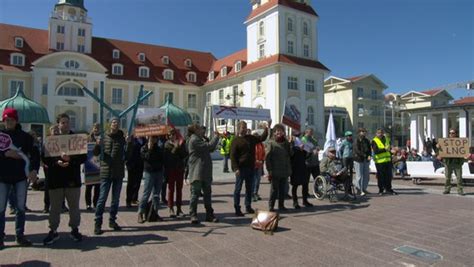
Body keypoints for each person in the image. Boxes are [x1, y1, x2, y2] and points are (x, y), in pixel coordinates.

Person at [42, 113, 87, 245]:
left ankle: (74, 229)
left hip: (72, 179)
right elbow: (45, 158)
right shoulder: (51, 140)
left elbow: (83, 157)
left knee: (74, 207)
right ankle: (53, 230)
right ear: (58, 124)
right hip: (55, 179)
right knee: (55, 207)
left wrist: (71, 159)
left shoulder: (76, 138)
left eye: (67, 122)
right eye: (63, 122)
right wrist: (57, 162)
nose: (65, 124)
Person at [0, 108, 40, 249]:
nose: (8, 122)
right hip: (2, 177)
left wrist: (34, 169)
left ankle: (20, 236)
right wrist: (5, 155)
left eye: (11, 119)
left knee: (20, 208)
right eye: (6, 119)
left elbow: (35, 154)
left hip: (20, 177)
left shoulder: (25, 137)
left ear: (16, 120)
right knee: (0, 208)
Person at [93, 118, 127, 235]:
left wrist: (129, 144)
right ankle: (98, 222)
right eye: (113, 122)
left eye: (117, 123)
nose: (115, 124)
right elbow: (96, 153)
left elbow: (127, 155)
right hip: (106, 172)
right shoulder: (104, 137)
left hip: (118, 172)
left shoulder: (122, 139)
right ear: (110, 125)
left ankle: (112, 220)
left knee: (115, 199)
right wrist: (97, 145)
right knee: (102, 198)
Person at [230, 121, 269, 216]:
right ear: (239, 128)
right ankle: (237, 207)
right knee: (238, 189)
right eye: (243, 127)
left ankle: (248, 206)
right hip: (241, 169)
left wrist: (267, 128)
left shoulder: (251, 138)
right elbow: (232, 156)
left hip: (250, 167)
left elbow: (262, 138)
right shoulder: (235, 141)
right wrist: (235, 168)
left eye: (245, 127)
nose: (245, 129)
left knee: (249, 188)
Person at [187, 124, 220, 224]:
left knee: (207, 194)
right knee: (195, 194)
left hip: (205, 172)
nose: (203, 131)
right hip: (197, 172)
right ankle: (193, 214)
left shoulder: (200, 139)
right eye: (201, 129)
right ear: (196, 130)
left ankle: (209, 214)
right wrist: (216, 137)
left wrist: (213, 140)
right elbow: (209, 147)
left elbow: (210, 149)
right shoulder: (194, 139)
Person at [137, 135, 165, 223]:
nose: (153, 140)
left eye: (155, 138)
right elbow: (146, 158)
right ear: (148, 138)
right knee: (146, 193)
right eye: (151, 138)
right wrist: (149, 149)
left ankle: (154, 213)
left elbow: (162, 158)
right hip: (149, 172)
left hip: (159, 172)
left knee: (156, 194)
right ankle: (140, 213)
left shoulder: (159, 148)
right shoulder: (144, 148)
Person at [265, 124, 292, 212]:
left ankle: (281, 205)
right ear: (274, 133)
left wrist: (290, 144)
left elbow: (291, 154)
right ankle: (271, 206)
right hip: (275, 170)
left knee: (282, 190)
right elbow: (267, 158)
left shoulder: (286, 143)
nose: (279, 132)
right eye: (277, 131)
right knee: (274, 190)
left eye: (281, 131)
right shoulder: (271, 143)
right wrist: (269, 170)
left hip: (284, 170)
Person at [163, 129, 187, 218]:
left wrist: (180, 146)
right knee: (171, 189)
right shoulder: (166, 144)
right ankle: (171, 208)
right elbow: (169, 157)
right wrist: (175, 147)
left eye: (173, 134)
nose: (172, 136)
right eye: (170, 135)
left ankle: (179, 208)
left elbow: (184, 155)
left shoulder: (181, 143)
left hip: (179, 168)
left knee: (179, 189)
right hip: (171, 169)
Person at [439, 129, 465, 195]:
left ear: (455, 134)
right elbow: (440, 150)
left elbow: (464, 151)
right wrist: (438, 150)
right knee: (447, 177)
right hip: (448, 162)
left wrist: (464, 159)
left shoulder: (460, 142)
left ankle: (460, 190)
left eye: (453, 133)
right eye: (450, 133)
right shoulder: (445, 142)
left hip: (457, 162)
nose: (451, 134)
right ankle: (447, 189)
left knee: (459, 177)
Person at [290, 133, 312, 209]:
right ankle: (295, 202)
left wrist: (310, 152)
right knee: (295, 185)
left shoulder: (302, 142)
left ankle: (305, 200)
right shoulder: (292, 144)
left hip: (303, 167)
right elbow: (290, 152)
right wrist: (298, 148)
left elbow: (306, 156)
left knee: (305, 185)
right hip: (295, 168)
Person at [372, 128, 397, 195]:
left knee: (388, 176)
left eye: (381, 132)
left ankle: (388, 189)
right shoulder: (374, 141)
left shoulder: (387, 139)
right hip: (379, 162)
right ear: (376, 134)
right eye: (379, 133)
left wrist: (392, 151)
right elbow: (376, 151)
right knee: (381, 177)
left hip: (388, 161)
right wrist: (385, 149)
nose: (380, 134)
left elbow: (389, 148)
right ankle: (381, 190)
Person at [125, 135, 145, 208]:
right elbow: (127, 149)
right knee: (131, 183)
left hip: (140, 164)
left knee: (138, 182)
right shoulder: (132, 138)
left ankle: (134, 198)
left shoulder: (144, 139)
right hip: (132, 164)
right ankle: (128, 200)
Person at [85, 123, 101, 211]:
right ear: (93, 128)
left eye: (98, 128)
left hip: (99, 166)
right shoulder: (88, 138)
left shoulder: (103, 138)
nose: (96, 129)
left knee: (98, 186)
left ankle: (96, 203)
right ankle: (88, 204)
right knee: (88, 187)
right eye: (95, 128)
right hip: (89, 165)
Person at [353, 128, 371, 196]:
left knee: (366, 175)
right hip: (358, 159)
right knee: (359, 175)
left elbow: (369, 149)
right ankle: (358, 189)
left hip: (366, 160)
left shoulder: (367, 140)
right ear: (359, 132)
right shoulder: (356, 140)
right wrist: (364, 155)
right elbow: (357, 150)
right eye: (362, 131)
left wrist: (369, 155)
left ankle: (364, 189)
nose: (364, 133)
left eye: (364, 131)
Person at [252, 130, 265, 202]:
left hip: (259, 165)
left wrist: (262, 160)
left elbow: (263, 153)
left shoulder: (261, 144)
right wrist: (255, 160)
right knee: (253, 180)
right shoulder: (252, 144)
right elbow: (250, 154)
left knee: (258, 180)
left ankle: (256, 193)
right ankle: (252, 194)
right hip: (253, 165)